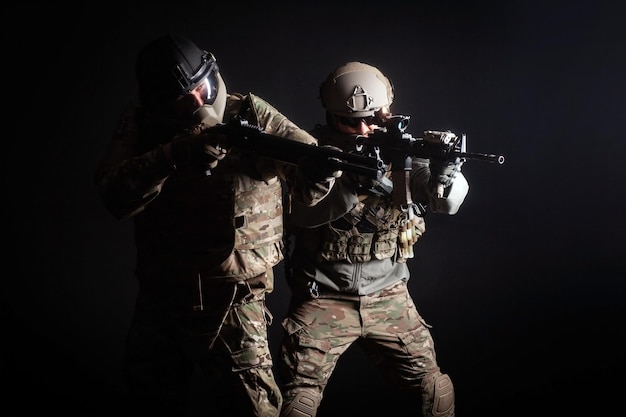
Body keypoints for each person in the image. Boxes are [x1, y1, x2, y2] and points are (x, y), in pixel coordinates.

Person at [94, 34, 341, 417]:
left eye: (202, 88)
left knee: (255, 408)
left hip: (235, 299)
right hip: (163, 295)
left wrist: (322, 170)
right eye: (182, 99)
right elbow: (114, 195)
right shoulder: (143, 125)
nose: (198, 102)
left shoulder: (252, 114)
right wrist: (173, 154)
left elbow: (307, 182)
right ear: (159, 102)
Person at [277, 61, 469, 417]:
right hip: (324, 296)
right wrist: (345, 179)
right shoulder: (312, 155)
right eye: (351, 122)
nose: (364, 130)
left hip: (388, 294)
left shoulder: (401, 154)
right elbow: (297, 213)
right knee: (297, 403)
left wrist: (446, 173)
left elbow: (444, 201)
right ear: (332, 117)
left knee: (436, 392)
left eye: (373, 120)